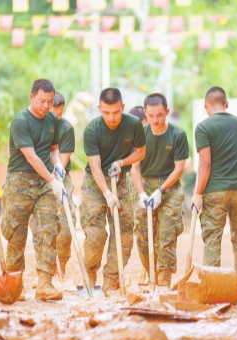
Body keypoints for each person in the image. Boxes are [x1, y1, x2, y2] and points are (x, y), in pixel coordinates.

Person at [0, 79, 66, 301]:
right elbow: (31, 157)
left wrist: (57, 166)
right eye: (41, 101)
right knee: (16, 234)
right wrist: (52, 179)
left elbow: (52, 150)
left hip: (44, 184)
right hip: (20, 182)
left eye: (50, 101)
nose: (46, 106)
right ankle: (15, 284)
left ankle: (45, 284)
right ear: (31, 97)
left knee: (48, 228)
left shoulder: (52, 120)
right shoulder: (20, 121)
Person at [81, 88, 146, 296]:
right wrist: (107, 193)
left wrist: (122, 162)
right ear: (99, 109)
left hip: (121, 179)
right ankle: (90, 273)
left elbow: (140, 152)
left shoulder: (134, 125)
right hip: (95, 183)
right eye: (106, 112)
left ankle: (111, 278)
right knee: (95, 233)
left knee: (124, 233)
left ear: (123, 108)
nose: (111, 117)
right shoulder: (92, 130)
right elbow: (95, 167)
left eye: (116, 112)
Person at [192, 87, 237, 287]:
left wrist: (198, 194)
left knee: (212, 240)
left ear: (206, 106)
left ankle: (212, 285)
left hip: (215, 191)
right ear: (226, 104)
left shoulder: (203, 127)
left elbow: (205, 164)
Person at [131, 93, 189, 286]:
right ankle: (151, 272)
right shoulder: (140, 134)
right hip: (145, 185)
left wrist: (160, 191)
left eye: (159, 115)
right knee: (142, 233)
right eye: (151, 115)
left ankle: (164, 275)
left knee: (166, 232)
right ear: (145, 113)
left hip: (169, 188)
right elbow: (135, 168)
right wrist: (141, 194)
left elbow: (179, 168)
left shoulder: (178, 135)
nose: (155, 120)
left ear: (167, 112)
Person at [51, 92, 76, 276]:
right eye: (53, 114)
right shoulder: (34, 123)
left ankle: (62, 266)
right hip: (39, 176)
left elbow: (63, 159)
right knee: (45, 224)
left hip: (61, 176)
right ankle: (46, 272)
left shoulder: (66, 129)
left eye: (59, 115)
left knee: (67, 225)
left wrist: (56, 176)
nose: (56, 119)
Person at [181, 158, 196, 230]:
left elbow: (196, 183)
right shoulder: (184, 174)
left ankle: (190, 224)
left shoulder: (194, 174)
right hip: (184, 193)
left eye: (187, 163)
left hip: (190, 193)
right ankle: (186, 224)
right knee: (184, 209)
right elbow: (182, 183)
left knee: (189, 208)